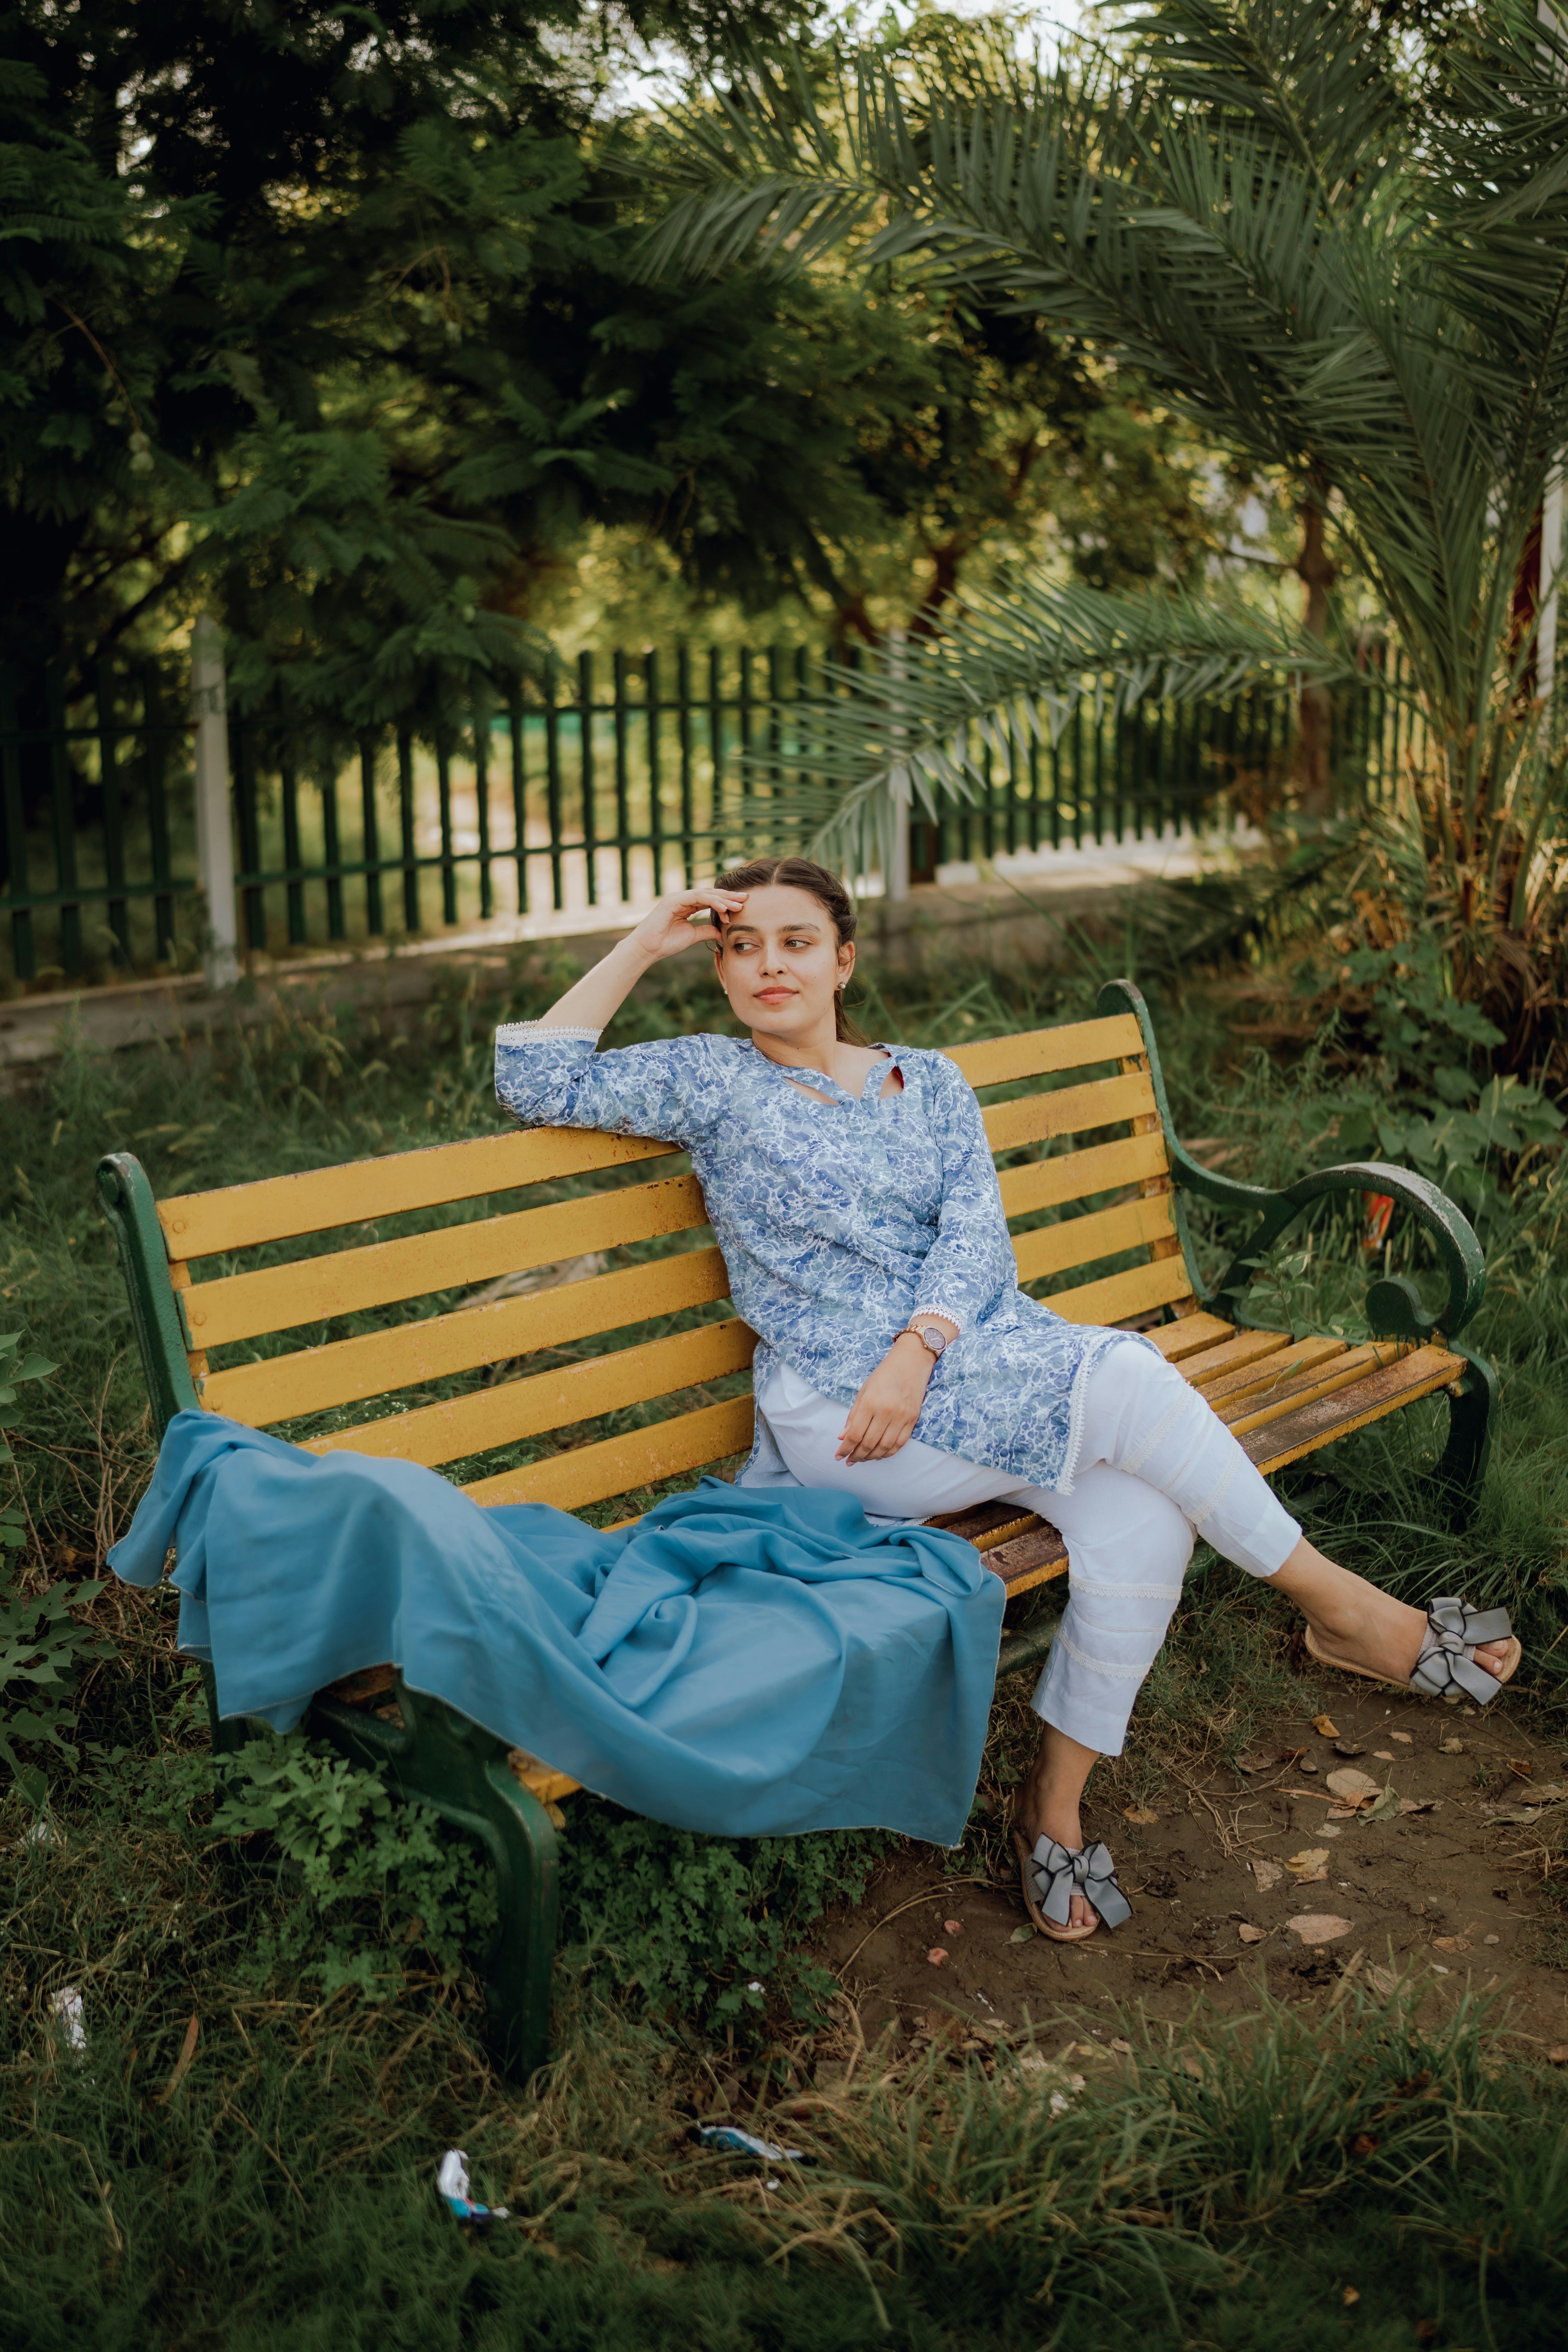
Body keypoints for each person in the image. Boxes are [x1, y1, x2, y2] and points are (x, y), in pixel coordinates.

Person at [494, 857, 1519, 1942]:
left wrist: (919, 1346)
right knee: (1123, 1374)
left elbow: (977, 1233)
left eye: (796, 941)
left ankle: (1053, 1803)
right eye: (740, 947)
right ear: (717, 969)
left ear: (844, 960)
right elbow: (534, 1077)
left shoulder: (929, 1081)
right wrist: (649, 937)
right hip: (843, 1417)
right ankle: (1343, 1610)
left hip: (960, 1373)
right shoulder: (710, 1081)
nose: (768, 965)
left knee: (1143, 1515)